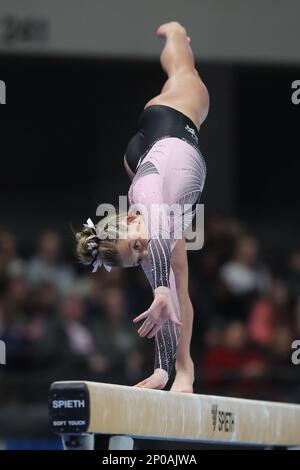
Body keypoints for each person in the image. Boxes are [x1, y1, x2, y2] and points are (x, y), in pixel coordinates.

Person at [76, 21, 209, 392]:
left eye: (134, 243)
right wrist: (161, 370)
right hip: (157, 163)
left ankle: (177, 34)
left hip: (171, 121)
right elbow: (168, 307)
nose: (142, 251)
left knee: (184, 74)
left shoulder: (145, 193)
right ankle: (181, 369)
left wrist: (161, 290)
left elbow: (156, 235)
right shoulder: (152, 251)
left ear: (130, 217)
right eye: (136, 258)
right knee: (178, 279)